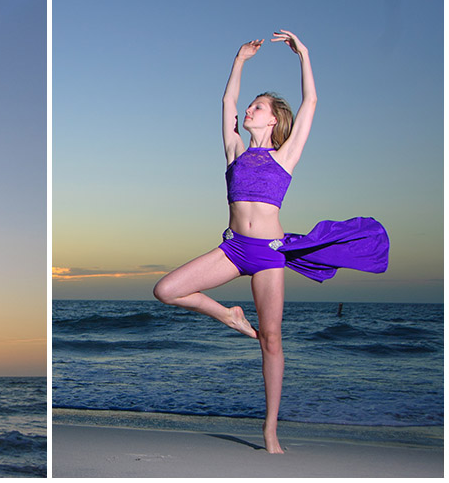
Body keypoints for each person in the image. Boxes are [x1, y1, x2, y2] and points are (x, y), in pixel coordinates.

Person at [153, 31, 388, 454]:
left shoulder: (285, 157)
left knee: (272, 339)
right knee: (166, 290)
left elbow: (312, 103)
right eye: (250, 106)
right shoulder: (234, 150)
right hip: (232, 249)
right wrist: (239, 60)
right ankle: (229, 316)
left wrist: (306, 55)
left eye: (256, 107)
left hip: (268, 255)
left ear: (273, 119)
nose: (247, 110)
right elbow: (225, 104)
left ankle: (270, 429)